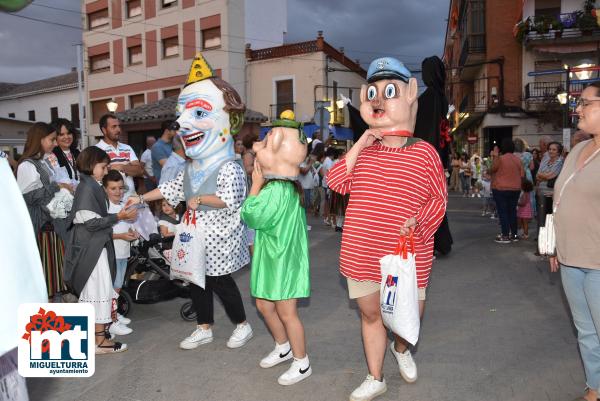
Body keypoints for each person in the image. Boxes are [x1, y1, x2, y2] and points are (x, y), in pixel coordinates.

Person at [327, 57, 446, 401]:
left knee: (409, 317)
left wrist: (419, 221)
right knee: (370, 314)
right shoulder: (363, 153)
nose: (378, 100)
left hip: (408, 255)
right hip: (361, 251)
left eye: (388, 92)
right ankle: (375, 376)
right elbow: (335, 181)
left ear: (409, 94)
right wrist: (361, 142)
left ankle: (401, 347)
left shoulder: (425, 153)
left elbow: (438, 200)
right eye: (372, 93)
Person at [126, 53, 252, 351]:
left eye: (197, 113)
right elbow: (171, 188)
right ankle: (204, 327)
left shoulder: (230, 166)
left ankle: (242, 325)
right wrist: (141, 197)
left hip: (219, 238)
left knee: (221, 282)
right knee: (196, 281)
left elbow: (230, 199)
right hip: (195, 235)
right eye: (183, 114)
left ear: (230, 120)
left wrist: (199, 199)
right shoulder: (190, 167)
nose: (182, 123)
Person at [241, 120, 312, 386]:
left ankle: (301, 361)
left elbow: (251, 215)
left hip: (282, 261)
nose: (258, 146)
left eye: (266, 140)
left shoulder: (276, 189)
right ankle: (283, 346)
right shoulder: (284, 187)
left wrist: (255, 185)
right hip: (273, 257)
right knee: (264, 304)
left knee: (286, 311)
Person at [549, 82, 600, 401]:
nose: (578, 108)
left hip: (598, 264)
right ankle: (595, 386)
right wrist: (556, 245)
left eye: (585, 103)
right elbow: (561, 198)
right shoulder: (580, 148)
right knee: (586, 332)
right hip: (570, 259)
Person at [63, 146, 137, 354]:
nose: (106, 171)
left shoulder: (90, 185)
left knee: (97, 291)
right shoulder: (87, 188)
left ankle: (98, 337)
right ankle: (99, 341)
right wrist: (118, 217)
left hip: (93, 245)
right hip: (91, 247)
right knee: (97, 290)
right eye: (103, 167)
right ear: (91, 165)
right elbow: (92, 223)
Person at [17, 122, 73, 300]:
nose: (55, 143)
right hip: (41, 228)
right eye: (52, 139)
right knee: (47, 275)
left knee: (54, 275)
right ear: (40, 140)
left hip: (50, 225)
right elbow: (27, 197)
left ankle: (54, 312)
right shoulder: (27, 165)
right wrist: (56, 186)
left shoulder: (40, 162)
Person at [103, 169, 137, 334]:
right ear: (105, 189)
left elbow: (129, 224)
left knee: (117, 286)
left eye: (120, 188)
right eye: (113, 188)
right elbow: (105, 232)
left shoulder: (123, 205)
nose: (118, 191)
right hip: (112, 253)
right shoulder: (106, 207)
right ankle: (111, 320)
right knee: (112, 287)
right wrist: (121, 235)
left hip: (123, 251)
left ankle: (114, 315)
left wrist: (132, 233)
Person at [95, 113, 144, 198]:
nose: (118, 130)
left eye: (119, 126)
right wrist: (129, 167)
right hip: (111, 202)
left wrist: (120, 167)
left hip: (131, 199)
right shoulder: (97, 150)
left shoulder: (127, 148)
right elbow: (100, 175)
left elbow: (139, 170)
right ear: (104, 130)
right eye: (114, 127)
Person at [491, 138, 524, 243]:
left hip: (500, 188)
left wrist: (495, 155)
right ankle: (514, 235)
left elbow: (493, 168)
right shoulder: (518, 160)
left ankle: (505, 235)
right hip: (515, 188)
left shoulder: (500, 158)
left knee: (503, 212)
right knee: (512, 211)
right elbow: (522, 175)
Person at [535, 141, 564, 230]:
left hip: (551, 194)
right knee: (541, 216)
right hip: (541, 192)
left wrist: (543, 176)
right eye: (550, 149)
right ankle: (541, 236)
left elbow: (550, 176)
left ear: (558, 152)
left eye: (554, 150)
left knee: (549, 217)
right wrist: (544, 176)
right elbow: (537, 175)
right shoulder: (545, 160)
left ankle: (549, 238)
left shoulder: (560, 162)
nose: (551, 151)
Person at [48, 118, 80, 186]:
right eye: (61, 134)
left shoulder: (78, 153)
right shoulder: (51, 156)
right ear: (54, 137)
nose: (66, 137)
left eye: (69, 133)